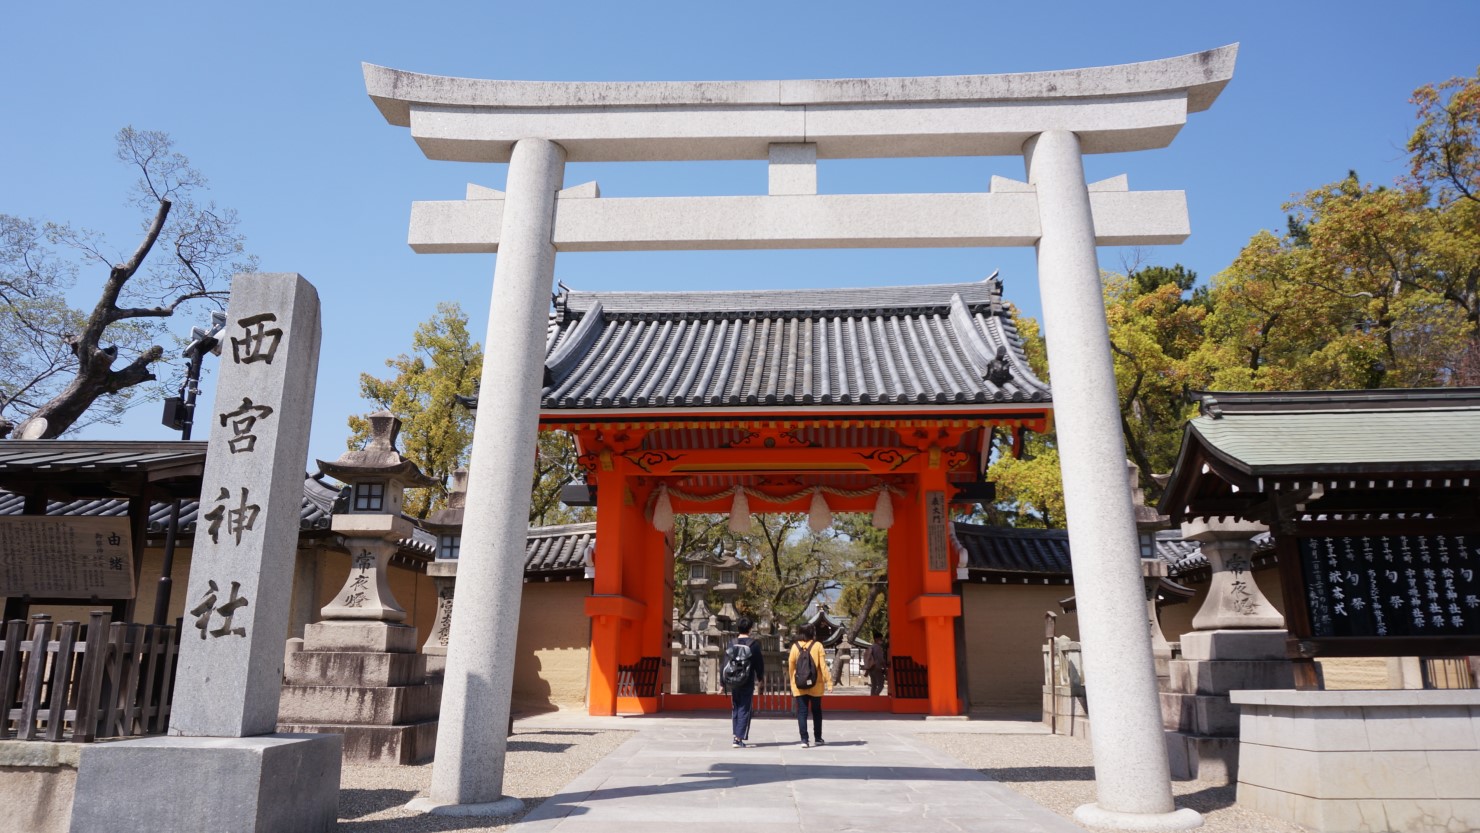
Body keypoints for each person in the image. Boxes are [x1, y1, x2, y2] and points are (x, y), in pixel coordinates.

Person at [787, 622, 832, 747]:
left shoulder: (795, 647)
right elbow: (823, 666)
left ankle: (804, 740)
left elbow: (791, 666)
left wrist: (792, 681)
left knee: (802, 712)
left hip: (799, 685)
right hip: (816, 685)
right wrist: (829, 682)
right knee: (817, 711)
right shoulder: (818, 645)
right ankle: (818, 738)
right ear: (812, 632)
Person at [725, 616, 764, 748]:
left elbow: (725, 663)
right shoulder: (753, 645)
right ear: (750, 629)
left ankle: (736, 733)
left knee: (736, 706)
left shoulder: (732, 643)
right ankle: (738, 738)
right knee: (744, 708)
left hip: (733, 680)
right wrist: (760, 679)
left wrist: (721, 682)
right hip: (747, 680)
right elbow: (759, 664)